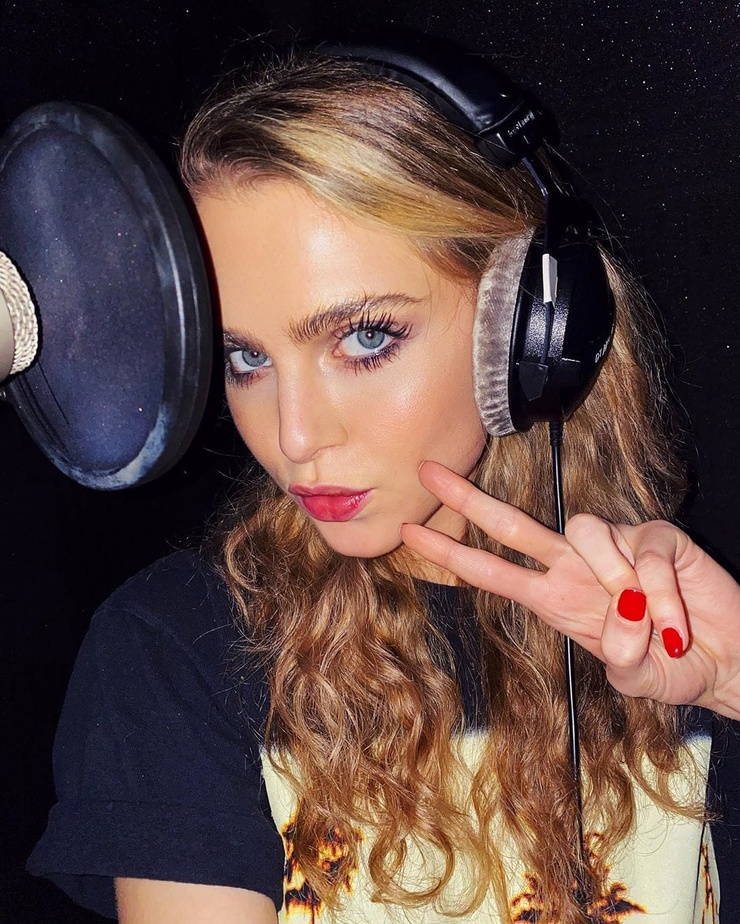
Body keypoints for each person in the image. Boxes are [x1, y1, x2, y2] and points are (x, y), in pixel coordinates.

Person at [27, 48, 739, 923]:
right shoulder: (179, 649)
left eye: (365, 338)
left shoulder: (682, 625)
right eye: (247, 358)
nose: (295, 436)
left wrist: (734, 680)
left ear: (529, 327)